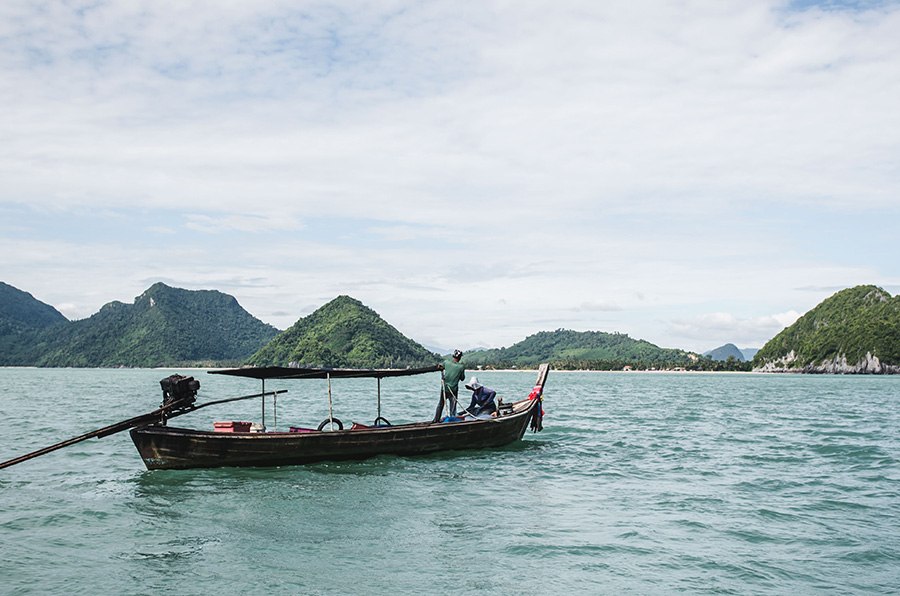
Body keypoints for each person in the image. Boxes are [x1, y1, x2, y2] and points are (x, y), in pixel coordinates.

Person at [434, 349, 465, 423]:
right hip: (453, 390)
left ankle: (436, 420)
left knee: (441, 404)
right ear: (460, 358)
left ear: (453, 356)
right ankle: (452, 421)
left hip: (445, 388)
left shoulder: (446, 362)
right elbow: (462, 378)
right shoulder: (461, 367)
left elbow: (440, 367)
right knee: (453, 407)